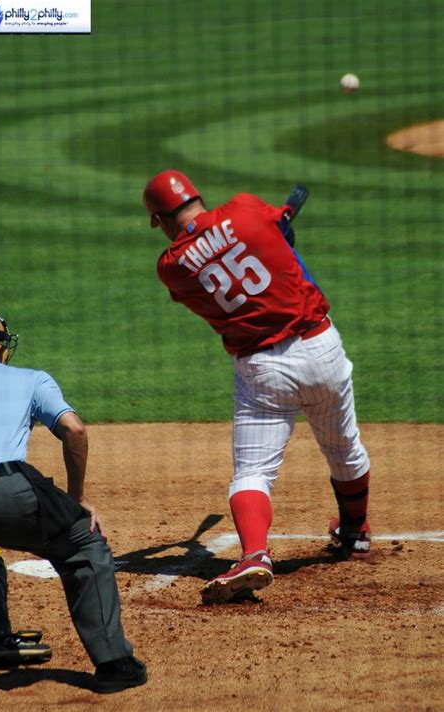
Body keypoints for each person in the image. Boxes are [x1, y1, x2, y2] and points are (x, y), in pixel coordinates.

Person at [143, 170, 371, 605]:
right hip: (320, 347)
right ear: (197, 195)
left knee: (253, 473)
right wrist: (283, 235)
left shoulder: (171, 269)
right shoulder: (245, 208)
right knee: (344, 449)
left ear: (157, 221)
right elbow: (280, 231)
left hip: (262, 370)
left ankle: (254, 555)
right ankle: (355, 532)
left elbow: (221, 273)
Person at [0, 300, 147, 692]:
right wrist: (77, 499)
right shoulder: (30, 379)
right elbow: (75, 431)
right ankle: (115, 664)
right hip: (12, 492)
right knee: (84, 544)